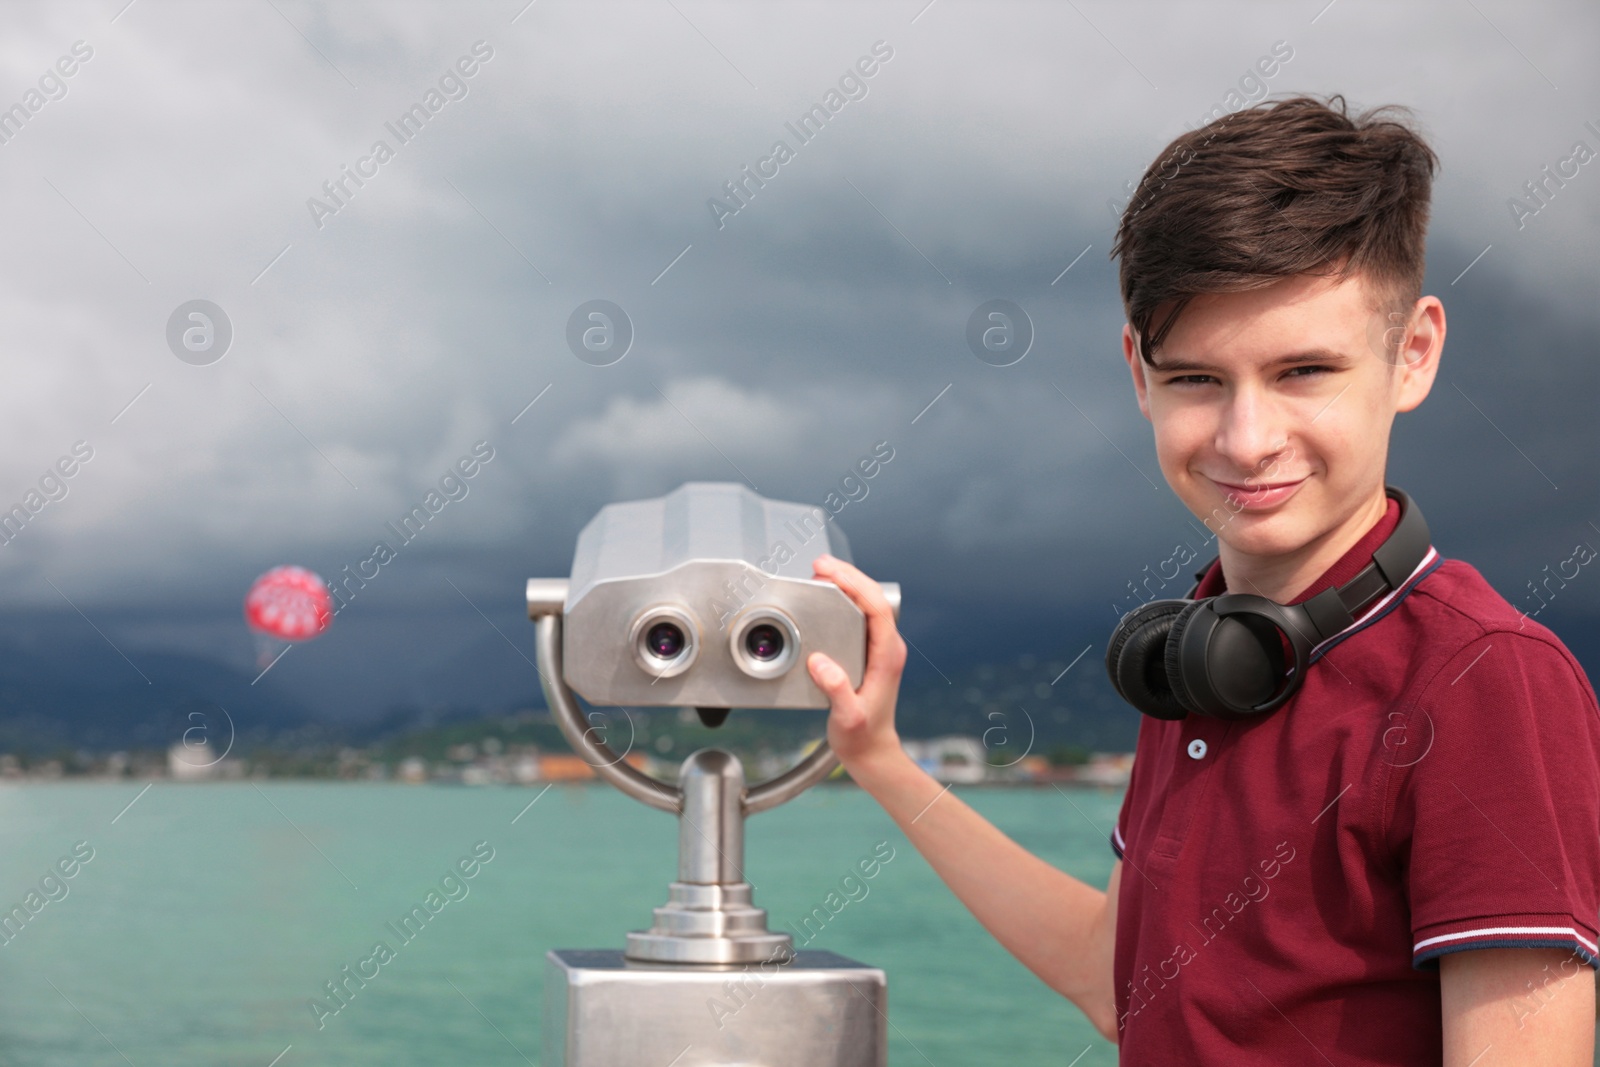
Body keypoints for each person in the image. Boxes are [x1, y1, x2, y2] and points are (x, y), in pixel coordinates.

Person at [804, 94, 1600, 1065]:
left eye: (1304, 371)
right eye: (1196, 380)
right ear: (1137, 372)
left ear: (1413, 353)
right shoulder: (1200, 651)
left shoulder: (1488, 681)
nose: (1246, 438)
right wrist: (879, 757)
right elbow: (1117, 981)